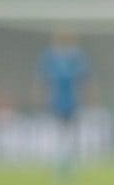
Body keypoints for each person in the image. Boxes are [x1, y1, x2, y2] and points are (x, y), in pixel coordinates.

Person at [35, 29, 92, 177]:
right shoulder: (50, 57)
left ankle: (71, 165)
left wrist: (87, 98)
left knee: (72, 135)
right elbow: (43, 80)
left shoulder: (77, 57)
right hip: (56, 102)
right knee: (58, 134)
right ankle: (59, 165)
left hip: (73, 102)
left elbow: (85, 81)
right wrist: (40, 97)